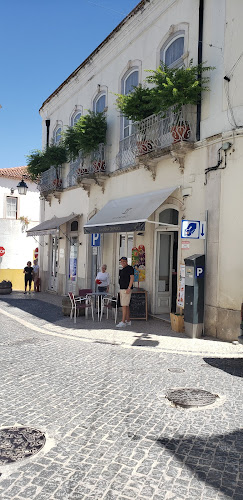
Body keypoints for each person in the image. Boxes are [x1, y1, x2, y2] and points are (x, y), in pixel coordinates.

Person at [116, 256, 134, 328]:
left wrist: (129, 287)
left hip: (126, 289)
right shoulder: (123, 269)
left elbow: (132, 278)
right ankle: (128, 320)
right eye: (121, 261)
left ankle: (123, 321)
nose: (122, 263)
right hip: (122, 289)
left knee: (124, 305)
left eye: (124, 261)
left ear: (126, 261)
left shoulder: (129, 268)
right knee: (126, 305)